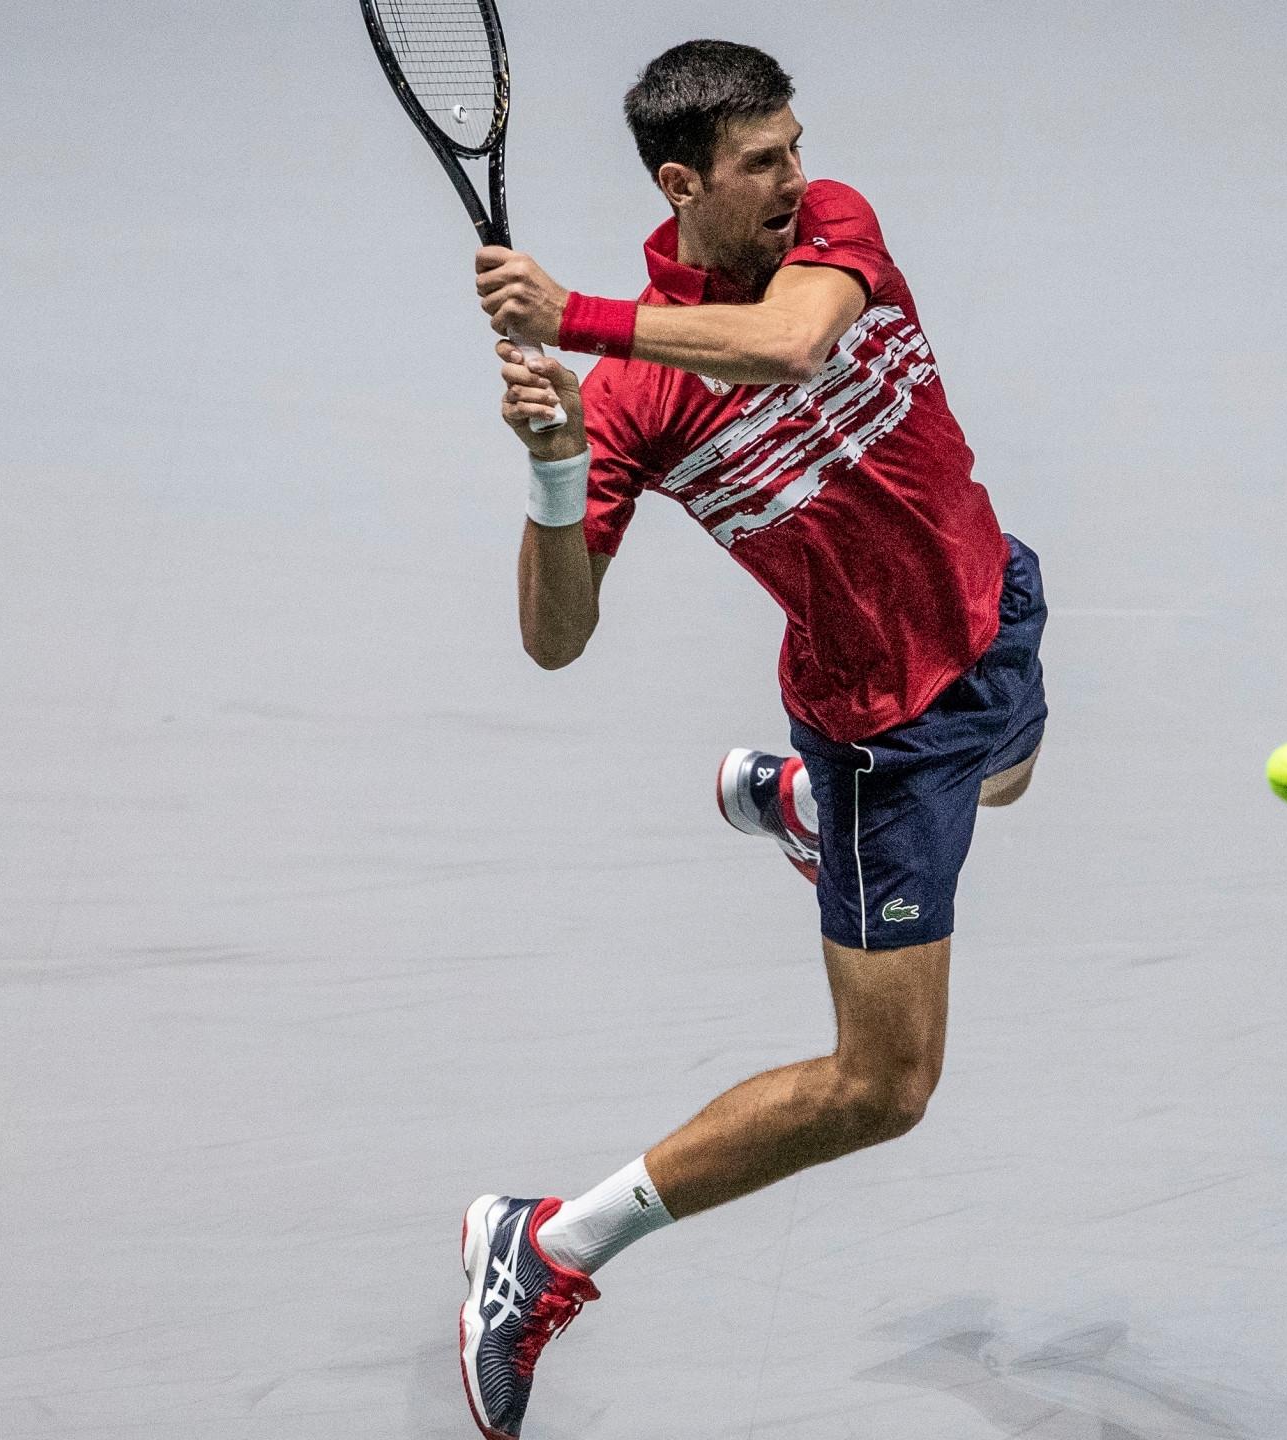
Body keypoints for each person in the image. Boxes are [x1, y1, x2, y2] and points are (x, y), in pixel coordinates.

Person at [454, 39, 1049, 1439]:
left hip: (994, 609)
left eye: (794, 145)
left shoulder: (832, 226)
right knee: (880, 1088)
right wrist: (554, 475)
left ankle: (786, 814)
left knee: (1013, 772)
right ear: (683, 184)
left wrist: (578, 316)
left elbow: (790, 340)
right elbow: (557, 638)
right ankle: (546, 1246)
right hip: (879, 738)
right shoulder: (638, 407)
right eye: (759, 162)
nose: (795, 177)